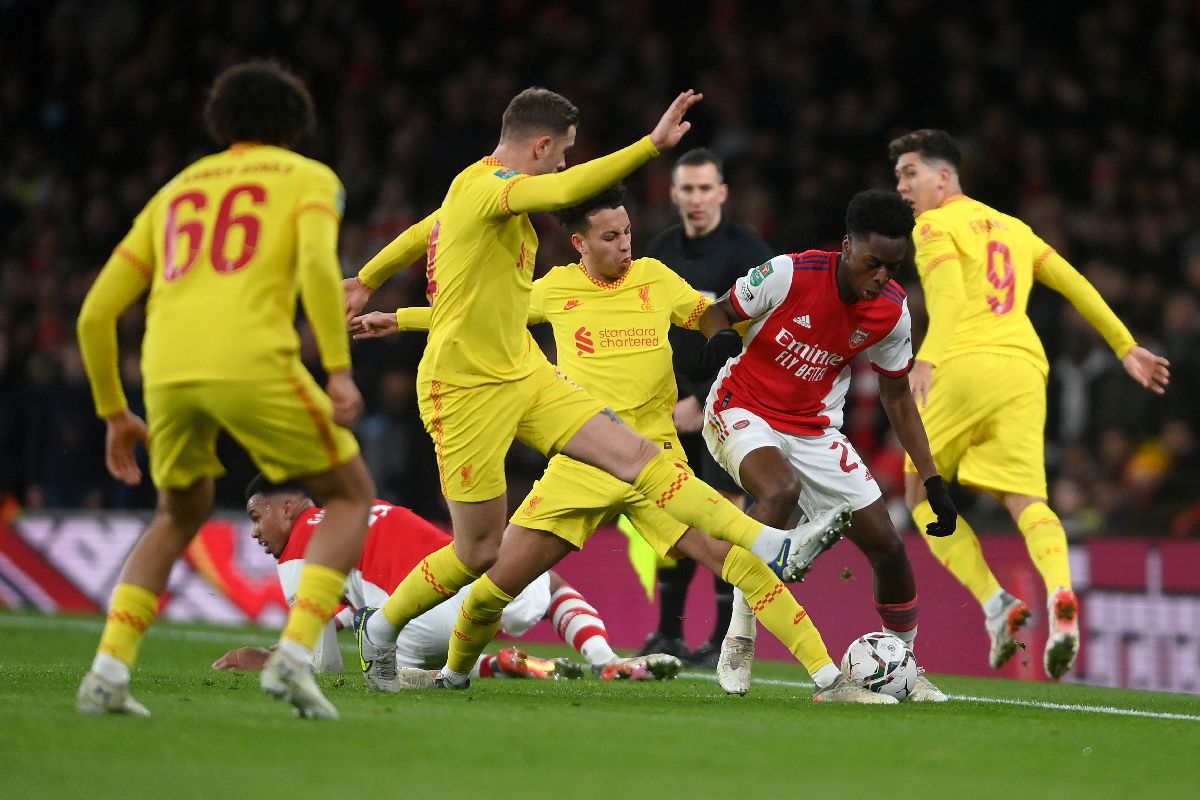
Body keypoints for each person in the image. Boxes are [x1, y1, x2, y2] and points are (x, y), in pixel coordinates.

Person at [341, 87, 841, 692]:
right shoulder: (496, 190)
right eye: (565, 153)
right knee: (478, 554)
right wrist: (651, 147)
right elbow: (557, 194)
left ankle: (776, 551)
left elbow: (430, 229)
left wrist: (368, 281)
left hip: (528, 374)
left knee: (639, 455)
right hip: (465, 388)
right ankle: (388, 632)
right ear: (542, 144)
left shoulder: (485, 197)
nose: (565, 165)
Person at [73, 61, 375, 720]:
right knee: (351, 494)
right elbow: (320, 269)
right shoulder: (309, 178)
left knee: (177, 512)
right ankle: (295, 660)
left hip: (166, 371)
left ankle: (107, 673)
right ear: (296, 127)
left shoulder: (175, 191)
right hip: (253, 361)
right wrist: (338, 367)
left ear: (221, 122)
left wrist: (113, 412)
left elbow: (95, 313)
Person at [889, 129, 1171, 679]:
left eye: (910, 173)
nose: (901, 186)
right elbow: (1074, 282)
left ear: (944, 177)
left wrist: (928, 356)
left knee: (919, 493)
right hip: (1023, 368)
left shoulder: (934, 225)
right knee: (1026, 498)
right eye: (898, 176)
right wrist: (1124, 345)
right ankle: (1061, 595)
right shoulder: (1016, 230)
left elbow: (947, 298)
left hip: (964, 363)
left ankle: (997, 604)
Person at [699, 189, 958, 701]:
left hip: (814, 429)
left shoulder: (891, 313)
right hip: (740, 407)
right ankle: (739, 633)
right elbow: (716, 311)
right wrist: (721, 340)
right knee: (781, 492)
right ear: (847, 246)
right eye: (872, 263)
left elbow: (898, 398)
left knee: (888, 547)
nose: (881, 276)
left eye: (893, 266)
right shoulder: (789, 274)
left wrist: (933, 479)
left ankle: (905, 664)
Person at [213, 476, 666, 682]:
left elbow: (326, 668)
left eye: (257, 517)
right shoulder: (359, 509)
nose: (254, 532)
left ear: (287, 508)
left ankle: (468, 670)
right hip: (467, 584)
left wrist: (275, 660)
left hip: (407, 622)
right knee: (551, 586)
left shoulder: (299, 548)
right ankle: (605, 659)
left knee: (401, 664)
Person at [637, 148, 775, 667]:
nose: (695, 199)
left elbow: (760, 337)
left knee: (723, 516)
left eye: (704, 189)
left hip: (729, 406)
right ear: (673, 194)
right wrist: (671, 394)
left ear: (722, 193)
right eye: (686, 190)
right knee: (670, 514)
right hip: (667, 407)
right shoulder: (658, 251)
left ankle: (722, 636)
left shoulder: (749, 254)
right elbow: (648, 330)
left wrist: (701, 393)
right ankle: (668, 632)